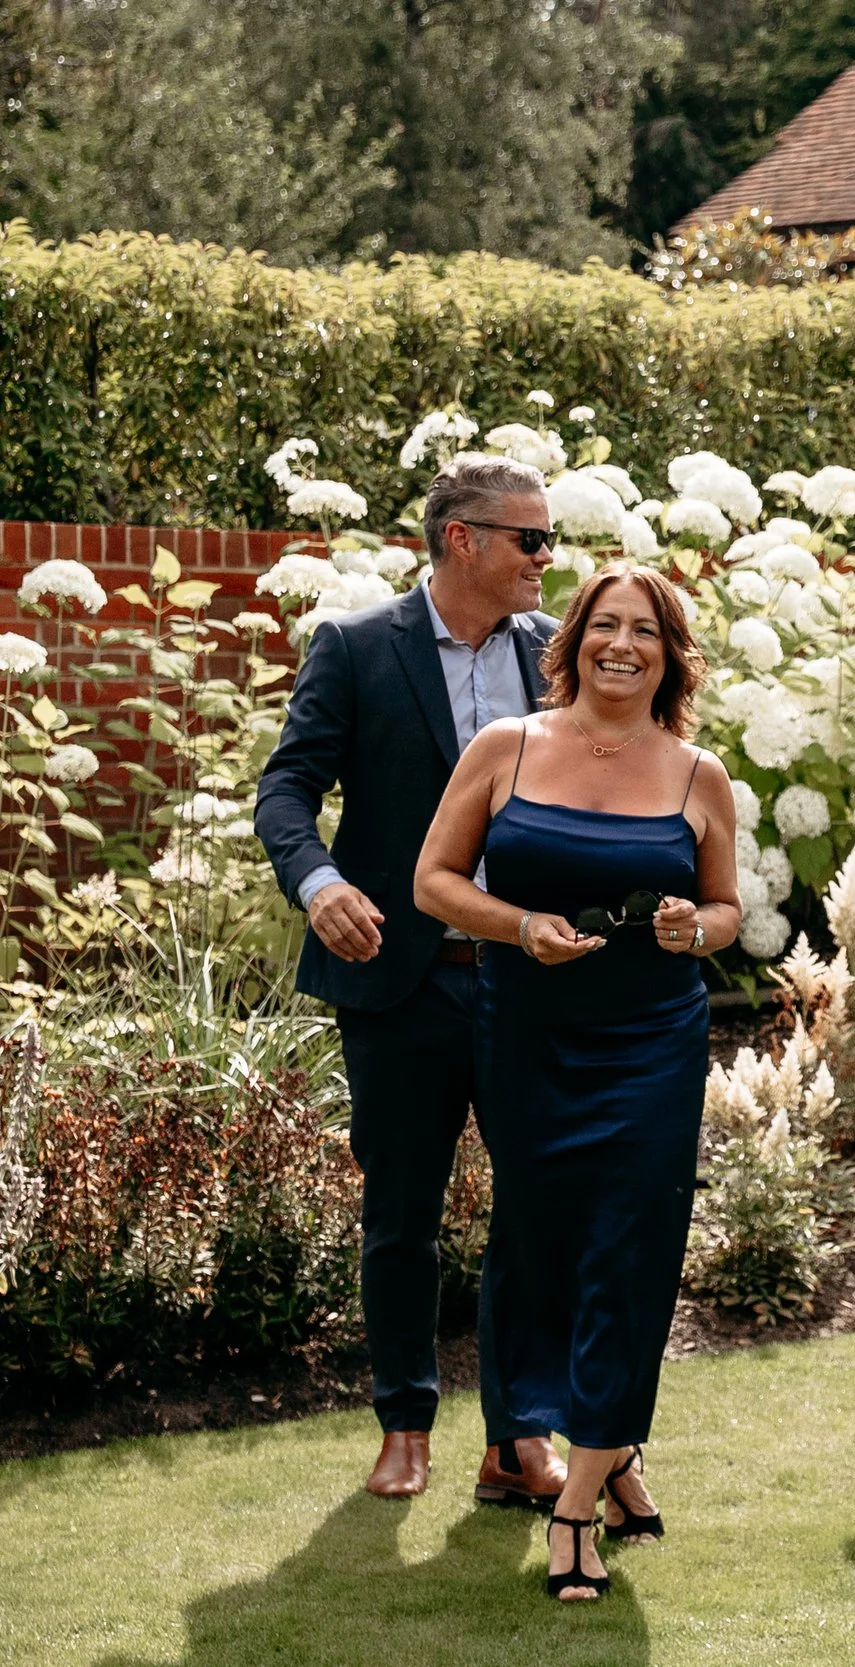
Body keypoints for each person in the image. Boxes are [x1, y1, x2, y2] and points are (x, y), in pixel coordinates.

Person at [413, 561, 741, 1600]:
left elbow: (727, 908)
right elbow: (433, 882)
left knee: (630, 1249)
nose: (622, 645)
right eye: (605, 625)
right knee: (537, 1245)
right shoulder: (505, 747)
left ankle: (577, 1496)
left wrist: (699, 928)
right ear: (573, 640)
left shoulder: (699, 774)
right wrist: (517, 926)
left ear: (668, 652)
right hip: (527, 1037)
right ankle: (595, 1452)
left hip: (650, 1042)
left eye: (645, 630)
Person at [253, 452, 566, 1507]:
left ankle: (518, 1434)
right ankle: (404, 1420)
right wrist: (319, 882)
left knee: (535, 1208)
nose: (546, 559)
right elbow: (287, 792)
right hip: (396, 976)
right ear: (462, 538)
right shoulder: (352, 646)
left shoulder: (554, 655)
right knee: (401, 1213)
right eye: (532, 538)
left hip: (527, 975)